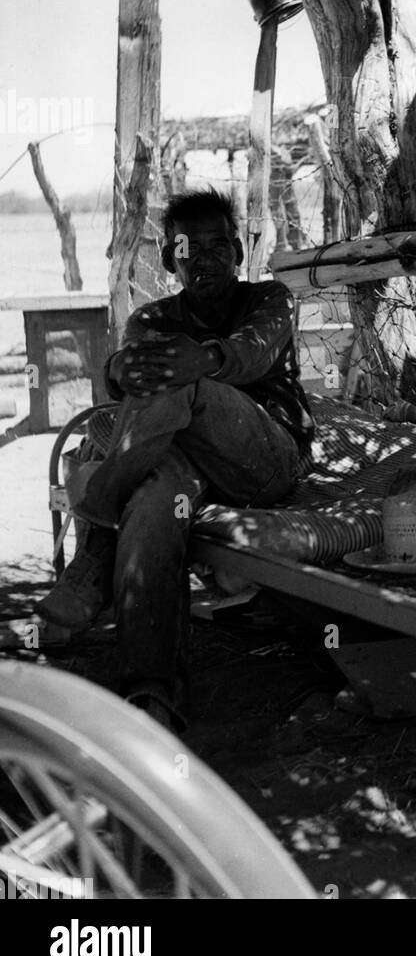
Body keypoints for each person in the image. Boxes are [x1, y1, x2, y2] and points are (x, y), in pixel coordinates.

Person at [38, 188, 315, 733]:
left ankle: (94, 531)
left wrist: (204, 358)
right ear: (170, 259)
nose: (206, 257)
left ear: (239, 252)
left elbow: (252, 353)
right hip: (183, 465)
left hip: (266, 461)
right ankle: (151, 691)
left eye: (220, 245)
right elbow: (127, 373)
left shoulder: (271, 299)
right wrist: (119, 370)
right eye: (189, 246)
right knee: (158, 492)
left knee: (183, 383)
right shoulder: (154, 318)